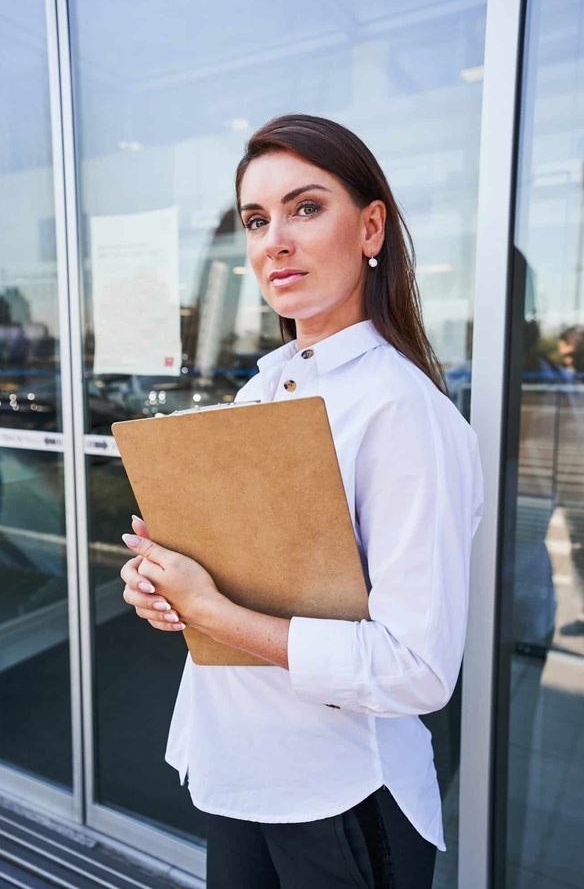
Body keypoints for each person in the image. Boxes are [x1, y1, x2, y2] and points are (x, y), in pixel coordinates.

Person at [120, 113, 484, 888]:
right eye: (257, 220)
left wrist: (214, 612)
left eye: (306, 208)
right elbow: (243, 580)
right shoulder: (263, 391)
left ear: (371, 228)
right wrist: (168, 589)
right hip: (241, 772)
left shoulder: (403, 412)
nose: (274, 240)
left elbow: (418, 670)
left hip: (340, 798)